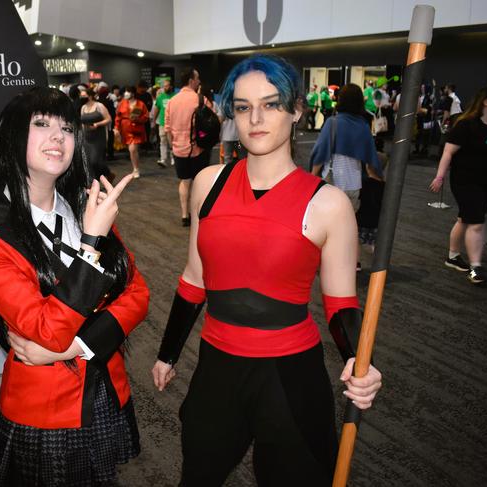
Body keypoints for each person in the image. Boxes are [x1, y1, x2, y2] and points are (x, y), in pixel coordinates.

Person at [152, 54, 382, 486]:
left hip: (290, 377)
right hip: (217, 368)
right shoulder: (209, 183)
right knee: (197, 475)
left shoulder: (328, 203)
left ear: (297, 110)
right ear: (231, 115)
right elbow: (194, 278)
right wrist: (167, 352)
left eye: (271, 104)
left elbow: (340, 303)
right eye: (242, 107)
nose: (255, 118)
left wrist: (359, 358)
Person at [0, 87, 149, 486]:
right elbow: (44, 328)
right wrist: (91, 243)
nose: (58, 137)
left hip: (105, 385)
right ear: (12, 136)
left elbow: (138, 294)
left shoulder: (86, 206)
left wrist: (76, 347)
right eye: (42, 125)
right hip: (45, 408)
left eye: (67, 127)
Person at [429, 86, 487, 285]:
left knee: (465, 218)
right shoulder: (465, 125)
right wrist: (439, 177)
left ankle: (452, 256)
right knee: (476, 222)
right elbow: (448, 153)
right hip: (466, 182)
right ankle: (476, 267)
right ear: (485, 101)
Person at [310, 83, 383, 271]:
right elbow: (370, 161)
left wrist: (311, 178)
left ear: (340, 100)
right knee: (351, 226)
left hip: (332, 183)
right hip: (354, 185)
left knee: (328, 226)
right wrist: (379, 181)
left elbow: (320, 155)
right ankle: (354, 262)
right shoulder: (363, 126)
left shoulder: (332, 123)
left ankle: (330, 262)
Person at [165, 67, 212, 226]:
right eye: (197, 78)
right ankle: (199, 214)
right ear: (192, 81)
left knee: (184, 181)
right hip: (199, 149)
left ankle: (185, 215)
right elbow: (211, 125)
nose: (199, 81)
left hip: (179, 149)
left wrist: (173, 146)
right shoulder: (201, 100)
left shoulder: (172, 101)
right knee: (199, 182)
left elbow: (167, 129)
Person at [114, 85, 149, 178]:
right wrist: (116, 128)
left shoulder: (141, 104)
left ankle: (136, 169)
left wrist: (138, 119)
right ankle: (135, 167)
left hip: (137, 129)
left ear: (133, 93)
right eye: (125, 91)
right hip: (125, 129)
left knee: (133, 149)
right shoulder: (122, 103)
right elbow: (118, 116)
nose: (126, 93)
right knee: (131, 150)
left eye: (128, 91)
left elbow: (146, 116)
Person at [81, 88, 113, 181]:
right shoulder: (83, 107)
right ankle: (94, 183)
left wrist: (97, 124)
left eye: (83, 96)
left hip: (98, 137)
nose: (81, 97)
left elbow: (108, 119)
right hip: (87, 137)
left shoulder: (99, 106)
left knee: (95, 161)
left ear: (90, 96)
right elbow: (82, 122)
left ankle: (107, 174)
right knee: (88, 162)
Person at [154, 78, 176, 167]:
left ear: (171, 86)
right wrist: (154, 120)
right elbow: (157, 109)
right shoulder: (160, 97)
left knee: (172, 142)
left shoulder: (175, 96)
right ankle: (163, 159)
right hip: (162, 123)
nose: (166, 87)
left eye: (167, 86)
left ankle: (173, 158)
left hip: (173, 124)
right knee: (162, 141)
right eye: (164, 86)